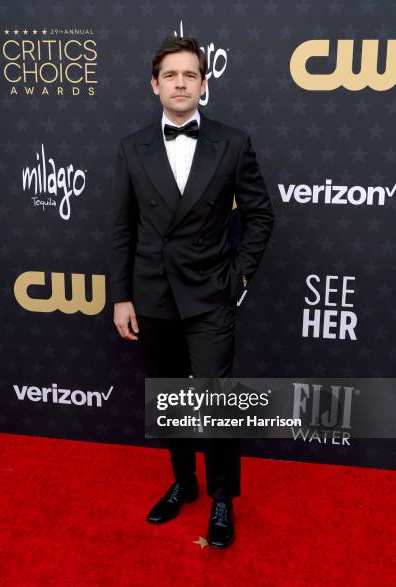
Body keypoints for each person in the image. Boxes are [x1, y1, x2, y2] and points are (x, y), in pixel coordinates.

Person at [108, 34, 274, 548]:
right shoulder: (131, 147)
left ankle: (222, 498)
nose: (181, 83)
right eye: (171, 75)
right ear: (155, 85)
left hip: (210, 294)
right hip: (153, 294)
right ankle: (184, 483)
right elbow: (121, 228)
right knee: (171, 398)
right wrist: (121, 296)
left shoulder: (234, 142)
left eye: (191, 75)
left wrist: (240, 274)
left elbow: (261, 213)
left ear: (204, 85)